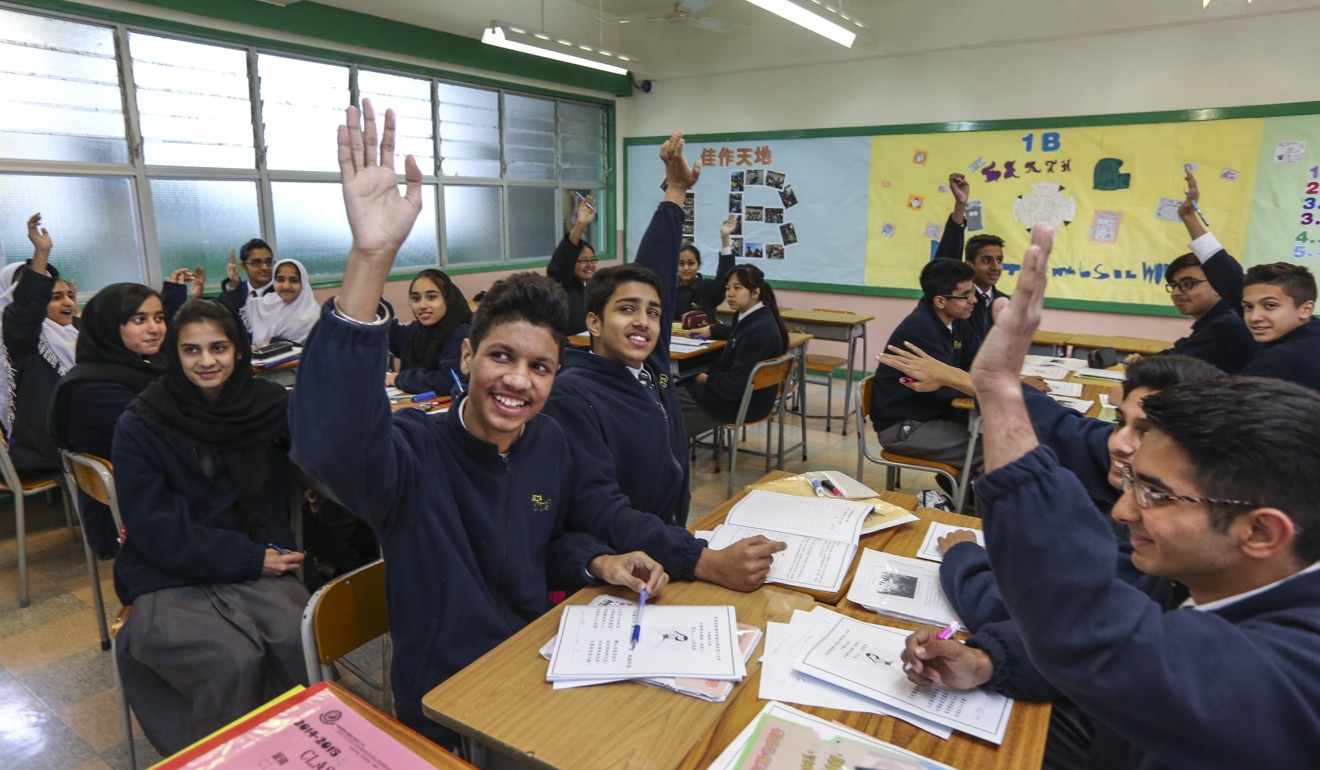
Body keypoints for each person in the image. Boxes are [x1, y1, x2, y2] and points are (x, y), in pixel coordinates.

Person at [290, 101, 710, 746]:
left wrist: (600, 560)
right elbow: (333, 445)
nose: (519, 380)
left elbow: (554, 540)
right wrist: (370, 259)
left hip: (541, 666)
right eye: (502, 357)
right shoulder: (414, 456)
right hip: (452, 708)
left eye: (540, 367)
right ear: (468, 355)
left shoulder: (549, 442)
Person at [901, 222, 1320, 768]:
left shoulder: (1291, 668)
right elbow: (1123, 657)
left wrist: (1000, 390)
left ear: (1261, 531)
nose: (1123, 509)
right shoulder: (1204, 576)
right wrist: (989, 660)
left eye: (1156, 494)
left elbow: (1097, 635)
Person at [542, 131, 785, 591]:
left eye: (654, 313)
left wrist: (677, 192)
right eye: (626, 309)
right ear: (593, 322)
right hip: (614, 569)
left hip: (663, 546)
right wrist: (702, 560)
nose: (644, 321)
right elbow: (601, 509)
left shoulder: (647, 365)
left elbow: (655, 271)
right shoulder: (574, 394)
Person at [112, 298, 307, 754]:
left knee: (296, 636)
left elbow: (322, 446)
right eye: (191, 350)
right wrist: (251, 558)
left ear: (238, 350)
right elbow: (154, 528)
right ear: (174, 356)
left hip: (254, 554)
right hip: (169, 567)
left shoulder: (267, 405)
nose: (206, 361)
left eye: (218, 347)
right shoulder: (142, 422)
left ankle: (297, 751)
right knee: (229, 659)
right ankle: (219, 758)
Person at [48, 277, 195, 557]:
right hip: (133, 511)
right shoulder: (90, 388)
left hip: (160, 491)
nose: (155, 329)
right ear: (108, 326)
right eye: (139, 320)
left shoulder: (140, 367)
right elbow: (172, 430)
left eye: (159, 318)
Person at [1128, 168, 1256, 372]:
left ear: (1218, 285)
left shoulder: (1226, 325)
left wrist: (1143, 365)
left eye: (1188, 284)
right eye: (1174, 285)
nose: (1178, 292)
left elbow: (1177, 365)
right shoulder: (1215, 319)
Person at [869, 258, 982, 473]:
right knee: (990, 450)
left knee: (995, 436)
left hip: (933, 415)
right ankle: (964, 504)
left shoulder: (956, 323)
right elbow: (946, 389)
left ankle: (965, 499)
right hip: (903, 426)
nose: (974, 300)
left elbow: (979, 361)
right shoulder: (920, 329)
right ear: (940, 301)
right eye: (966, 295)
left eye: (973, 291)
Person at [2, 213, 78, 474]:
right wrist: (41, 253)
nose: (67, 302)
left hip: (73, 435)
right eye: (55, 297)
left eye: (69, 296)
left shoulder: (73, 333)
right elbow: (26, 311)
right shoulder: (19, 340)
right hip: (43, 449)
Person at [679, 264, 789, 439]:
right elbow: (737, 331)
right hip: (748, 398)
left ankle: (667, 450)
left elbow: (736, 385)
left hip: (741, 404)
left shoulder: (760, 330)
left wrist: (707, 378)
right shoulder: (755, 316)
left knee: (672, 398)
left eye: (737, 288)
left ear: (755, 293)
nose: (730, 293)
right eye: (728, 288)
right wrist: (712, 331)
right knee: (677, 388)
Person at [934, 173, 1008, 340]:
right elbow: (946, 261)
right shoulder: (957, 299)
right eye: (986, 260)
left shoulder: (1004, 302)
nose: (995, 267)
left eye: (999, 260)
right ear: (969, 265)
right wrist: (961, 204)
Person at [385, 268, 472, 394]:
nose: (422, 305)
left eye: (431, 297)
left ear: (448, 300)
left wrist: (400, 379)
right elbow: (389, 333)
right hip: (412, 406)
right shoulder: (415, 331)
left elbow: (447, 381)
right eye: (416, 299)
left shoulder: (461, 333)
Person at [1239, 261, 1320, 391]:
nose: (1254, 317)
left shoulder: (1276, 362)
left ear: (1306, 310)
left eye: (1270, 305)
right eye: (1248, 307)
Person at [237, 257, 319, 346]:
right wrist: (234, 284)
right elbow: (239, 305)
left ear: (303, 283)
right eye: (280, 280)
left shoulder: (313, 315)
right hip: (260, 357)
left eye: (294, 281)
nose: (286, 286)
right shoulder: (267, 302)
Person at [547, 193, 597, 331]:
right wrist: (581, 224)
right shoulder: (561, 285)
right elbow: (565, 256)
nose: (590, 265)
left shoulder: (592, 287)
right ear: (571, 262)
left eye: (593, 260)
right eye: (583, 261)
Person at [673, 215, 736, 324]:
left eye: (691, 263)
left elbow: (724, 276)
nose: (686, 268)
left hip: (702, 339)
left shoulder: (706, 288)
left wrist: (725, 238)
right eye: (681, 264)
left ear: (699, 265)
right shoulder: (670, 289)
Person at [218, 238, 276, 314]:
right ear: (243, 267)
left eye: (269, 261)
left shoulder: (280, 291)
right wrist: (234, 284)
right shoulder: (237, 290)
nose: (265, 267)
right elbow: (225, 315)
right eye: (256, 263)